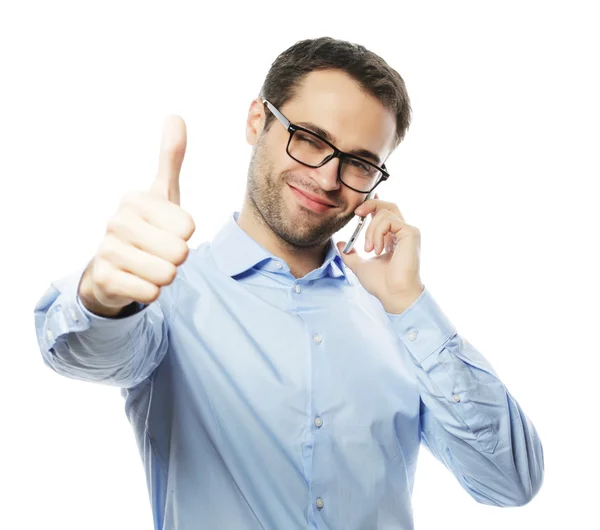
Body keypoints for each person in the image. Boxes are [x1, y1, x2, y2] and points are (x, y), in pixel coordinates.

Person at [33, 37, 544, 530]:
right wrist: (103, 299)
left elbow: (510, 482)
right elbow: (82, 351)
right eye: (311, 140)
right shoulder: (167, 294)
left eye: (360, 163)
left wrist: (408, 304)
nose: (327, 179)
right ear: (258, 121)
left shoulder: (398, 321)